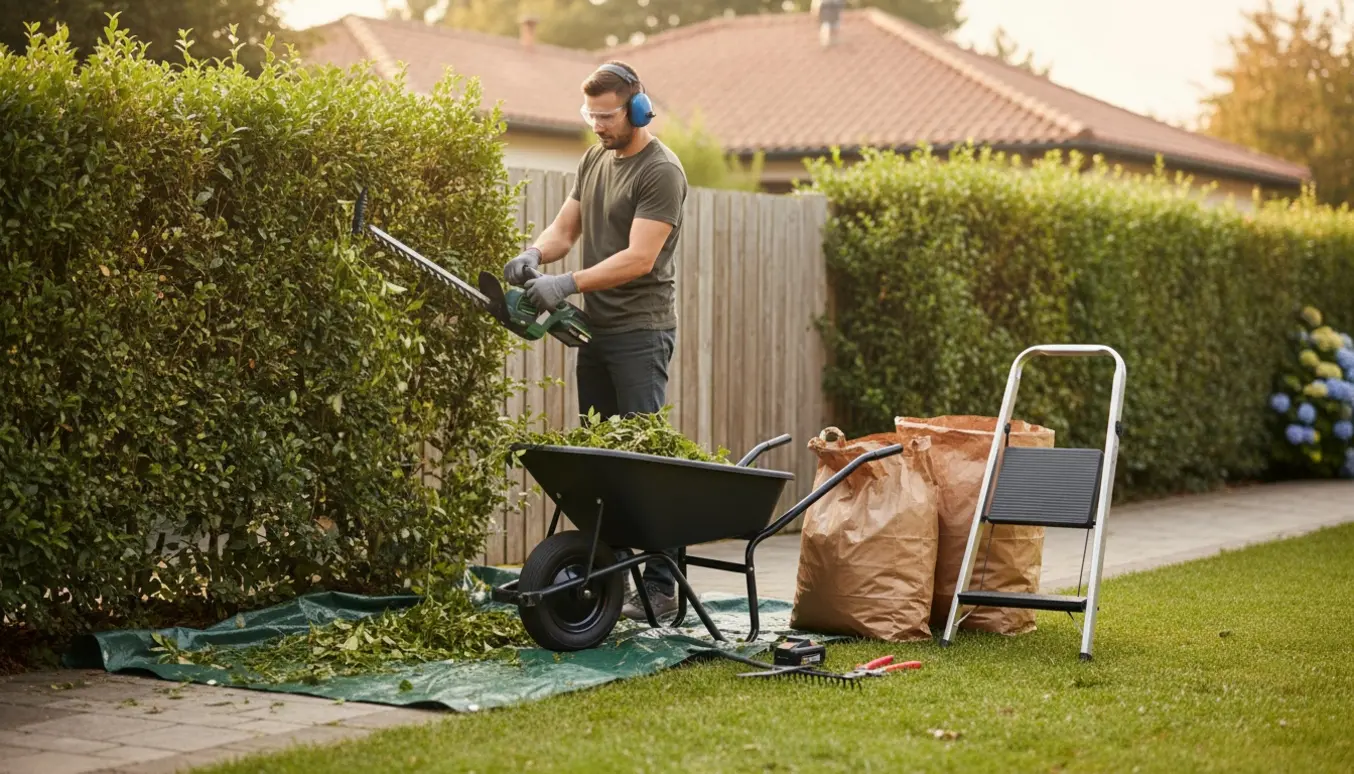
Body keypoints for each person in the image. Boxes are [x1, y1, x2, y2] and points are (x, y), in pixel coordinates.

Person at [503, 60, 688, 622]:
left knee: (645, 460)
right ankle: (608, 580)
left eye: (608, 116)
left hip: (641, 332)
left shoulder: (661, 171)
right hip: (596, 332)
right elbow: (565, 230)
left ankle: (662, 588)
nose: (599, 126)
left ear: (638, 109)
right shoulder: (594, 159)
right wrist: (536, 254)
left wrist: (566, 283)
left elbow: (639, 258)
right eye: (591, 116)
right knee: (602, 461)